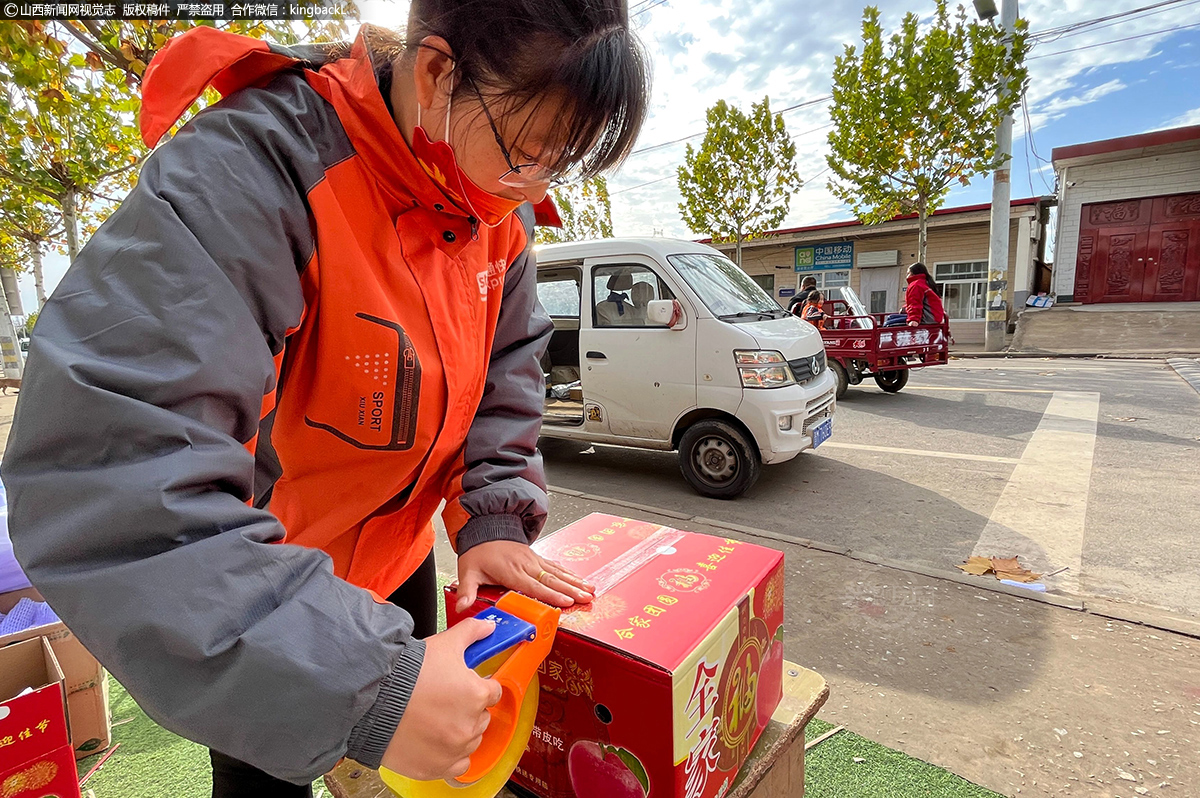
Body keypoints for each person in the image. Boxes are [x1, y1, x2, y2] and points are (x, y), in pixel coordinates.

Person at [1, 4, 649, 796]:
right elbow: (112, 475)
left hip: (399, 559)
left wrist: (495, 516)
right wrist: (365, 683)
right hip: (257, 587)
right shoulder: (254, 170)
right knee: (269, 772)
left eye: (560, 163)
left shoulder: (497, 212)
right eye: (527, 152)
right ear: (438, 74)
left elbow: (506, 366)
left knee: (400, 758)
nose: (534, 188)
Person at [905, 262, 947, 326]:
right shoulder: (925, 283)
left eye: (908, 273)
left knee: (889, 321)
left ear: (913, 274)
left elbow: (915, 303)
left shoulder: (916, 285)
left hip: (927, 319)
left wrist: (914, 319)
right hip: (934, 318)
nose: (907, 276)